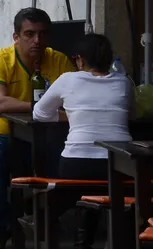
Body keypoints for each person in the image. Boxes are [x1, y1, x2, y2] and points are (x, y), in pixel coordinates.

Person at [0, 6, 71, 249]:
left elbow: (75, 103)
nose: (37, 40)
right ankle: (2, 225)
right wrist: (41, 108)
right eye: (29, 34)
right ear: (16, 37)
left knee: (73, 164)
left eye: (43, 34)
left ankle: (46, 216)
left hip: (46, 137)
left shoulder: (59, 61)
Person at [32, 33, 131, 175]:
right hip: (120, 162)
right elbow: (132, 114)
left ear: (80, 60)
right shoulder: (124, 82)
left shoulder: (67, 79)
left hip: (77, 160)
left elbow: (39, 113)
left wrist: (72, 116)